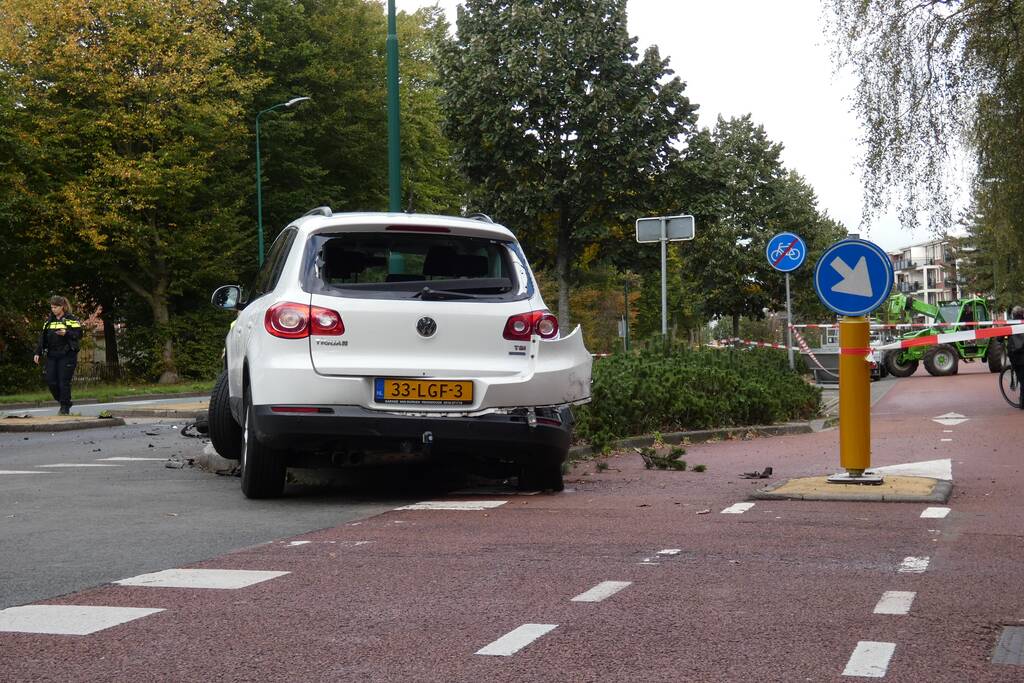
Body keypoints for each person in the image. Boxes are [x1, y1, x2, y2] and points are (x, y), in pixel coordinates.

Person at [33, 295, 83, 415]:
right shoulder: (49, 321)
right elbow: (43, 338)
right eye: (52, 307)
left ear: (62, 307)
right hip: (52, 354)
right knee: (51, 381)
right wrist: (37, 352)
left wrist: (66, 333)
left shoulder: (71, 319)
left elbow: (79, 334)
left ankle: (65, 407)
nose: (53, 309)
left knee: (63, 382)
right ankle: (63, 401)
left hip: (67, 354)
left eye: (55, 307)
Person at [1007, 305, 1024, 407]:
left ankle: (1022, 403)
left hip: (1016, 357)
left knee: (1022, 379)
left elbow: (999, 338)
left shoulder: (1009, 324)